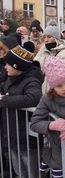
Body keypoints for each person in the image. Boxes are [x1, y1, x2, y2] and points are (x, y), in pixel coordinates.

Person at [0, 45, 44, 178]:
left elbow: (34, 97)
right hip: (12, 136)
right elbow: (4, 90)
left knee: (32, 173)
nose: (5, 67)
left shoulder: (31, 80)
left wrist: (5, 100)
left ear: (17, 66)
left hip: (27, 139)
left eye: (8, 64)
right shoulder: (11, 79)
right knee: (20, 172)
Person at [34, 21, 65, 94]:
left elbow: (64, 78)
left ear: (56, 38)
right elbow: (35, 67)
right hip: (41, 91)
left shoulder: (64, 54)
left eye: (49, 37)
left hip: (55, 93)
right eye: (44, 37)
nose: (46, 40)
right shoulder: (42, 51)